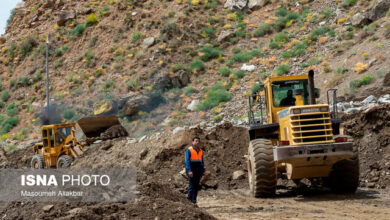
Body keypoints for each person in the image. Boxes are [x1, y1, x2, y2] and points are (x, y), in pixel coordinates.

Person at [185, 136, 206, 204]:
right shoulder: (189, 150)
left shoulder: (200, 151)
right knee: (192, 185)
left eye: (198, 141)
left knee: (196, 186)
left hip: (198, 170)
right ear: (192, 142)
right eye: (196, 141)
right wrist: (189, 171)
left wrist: (203, 171)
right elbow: (187, 161)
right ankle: (189, 200)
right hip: (192, 169)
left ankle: (194, 201)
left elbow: (201, 162)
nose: (197, 142)